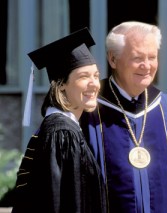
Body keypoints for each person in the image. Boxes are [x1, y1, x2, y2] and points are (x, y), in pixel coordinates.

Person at [80, 21, 167, 213]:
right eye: (137, 58)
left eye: (152, 57)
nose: (147, 66)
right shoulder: (89, 110)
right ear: (113, 59)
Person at [12, 28, 106, 213]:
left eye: (95, 75)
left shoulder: (60, 128)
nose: (94, 83)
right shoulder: (62, 134)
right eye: (83, 76)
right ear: (61, 84)